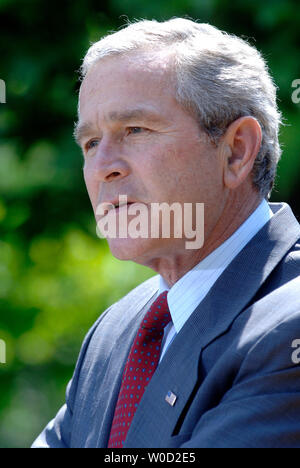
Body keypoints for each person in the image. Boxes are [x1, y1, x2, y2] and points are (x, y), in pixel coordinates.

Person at [32, 18, 300, 448]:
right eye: (90, 143)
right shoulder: (116, 330)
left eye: (135, 130)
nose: (103, 167)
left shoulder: (289, 327)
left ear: (236, 151)